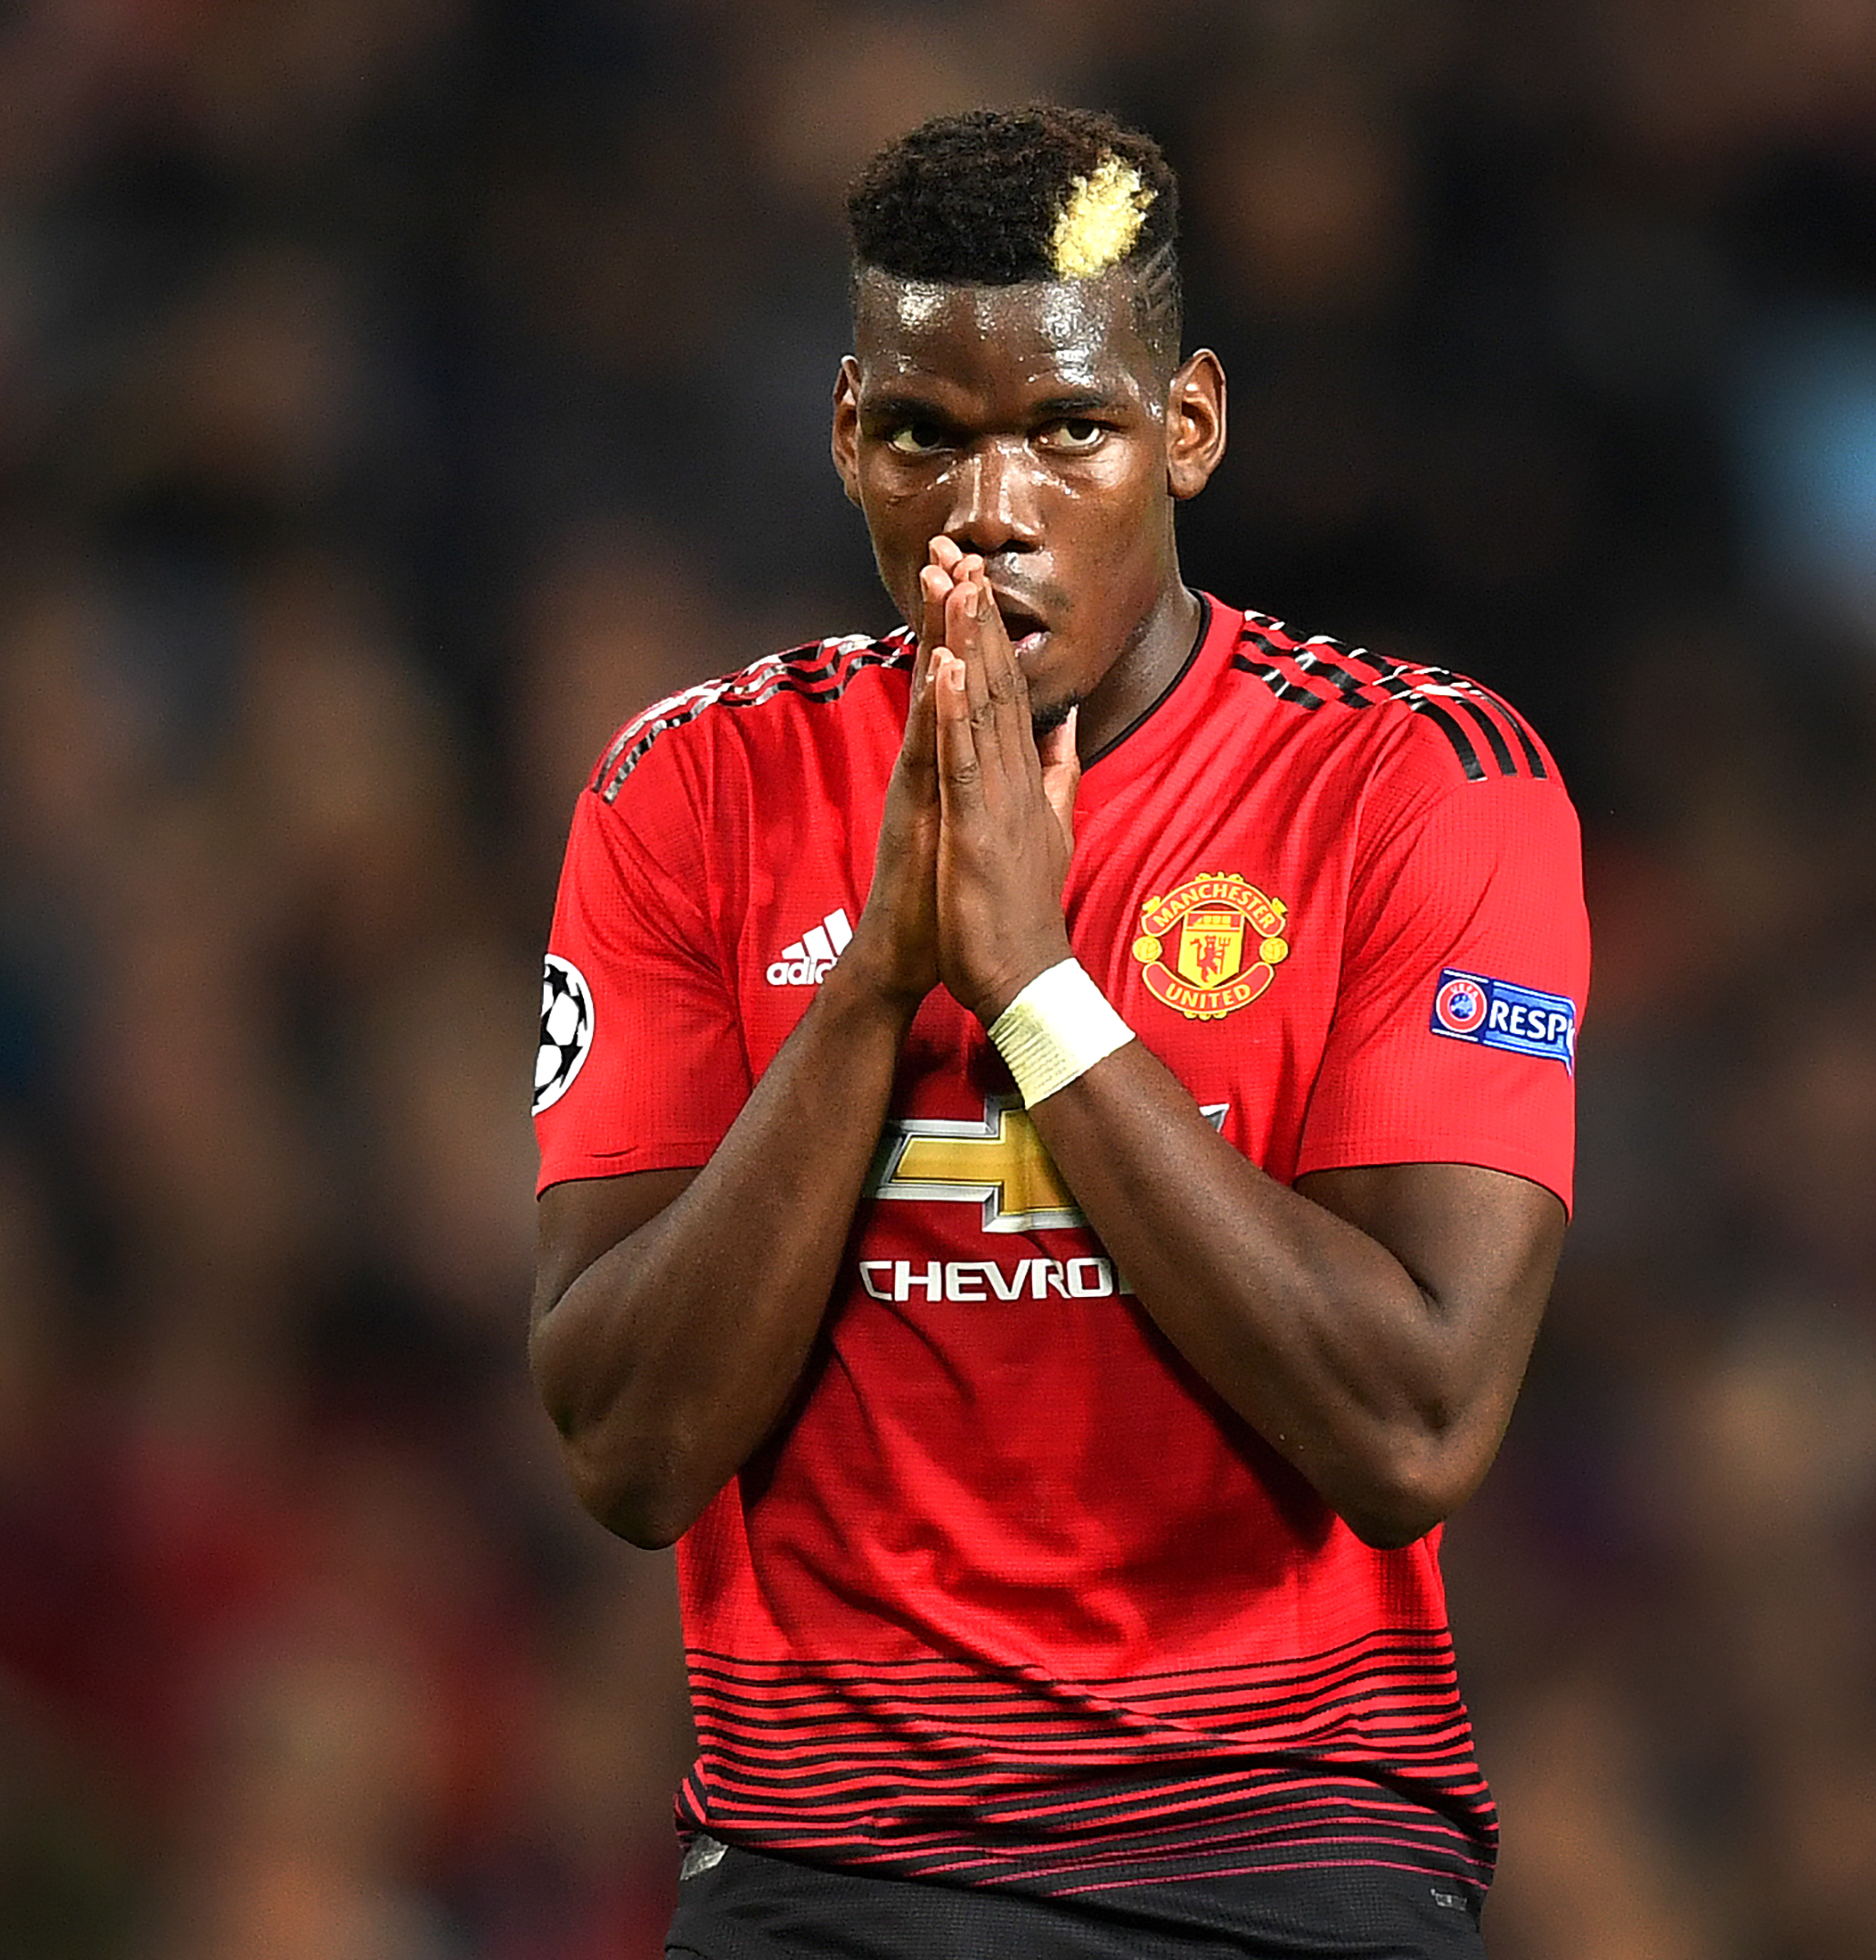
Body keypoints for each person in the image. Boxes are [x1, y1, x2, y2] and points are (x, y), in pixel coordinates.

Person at [527, 105, 1584, 1960]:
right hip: (823, 1879)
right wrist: (879, 980)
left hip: (1278, 1862)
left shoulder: (1417, 785)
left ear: (1190, 425)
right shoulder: (690, 789)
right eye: (924, 435)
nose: (987, 507)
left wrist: (1032, 989)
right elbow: (625, 1451)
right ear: (846, 435)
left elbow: (1411, 1425)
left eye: (1068, 429)